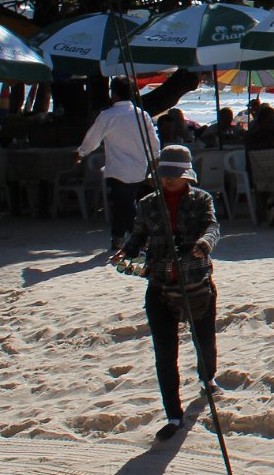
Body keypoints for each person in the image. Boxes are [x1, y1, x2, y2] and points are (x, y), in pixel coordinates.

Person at [110, 145, 220, 441]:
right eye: (165, 174)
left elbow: (212, 227)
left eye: (175, 174)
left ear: (187, 176)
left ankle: (207, 378)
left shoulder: (201, 199)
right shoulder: (147, 203)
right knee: (165, 353)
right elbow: (138, 236)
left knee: (205, 342)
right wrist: (126, 252)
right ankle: (173, 414)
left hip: (196, 284)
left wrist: (204, 244)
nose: (169, 179)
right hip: (160, 287)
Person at [77, 77, 162, 251]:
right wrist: (155, 158)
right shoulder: (142, 115)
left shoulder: (108, 116)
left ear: (113, 94)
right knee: (125, 202)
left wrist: (81, 152)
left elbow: (93, 139)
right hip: (138, 166)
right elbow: (153, 140)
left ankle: (132, 237)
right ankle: (122, 237)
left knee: (123, 203)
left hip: (117, 167)